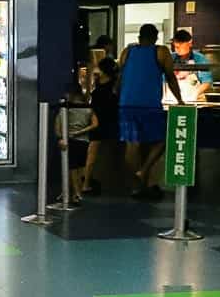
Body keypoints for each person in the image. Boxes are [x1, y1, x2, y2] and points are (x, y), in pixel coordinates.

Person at [115, 23, 184, 199]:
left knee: (132, 143)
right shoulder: (160, 52)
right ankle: (143, 171)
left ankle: (137, 184)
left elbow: (120, 76)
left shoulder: (127, 52)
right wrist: (180, 100)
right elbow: (170, 77)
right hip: (149, 104)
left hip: (126, 104)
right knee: (162, 139)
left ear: (139, 37)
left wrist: (118, 95)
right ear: (155, 38)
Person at [83, 56, 121, 197]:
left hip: (100, 120)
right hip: (105, 121)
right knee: (93, 154)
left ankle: (86, 182)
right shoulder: (112, 86)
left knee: (92, 154)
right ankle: (87, 182)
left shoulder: (100, 85)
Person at [170, 29, 213, 103]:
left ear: (190, 43)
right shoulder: (170, 58)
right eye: (176, 47)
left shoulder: (200, 59)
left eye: (180, 46)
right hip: (173, 99)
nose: (177, 49)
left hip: (196, 100)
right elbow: (164, 80)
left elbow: (207, 82)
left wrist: (194, 95)